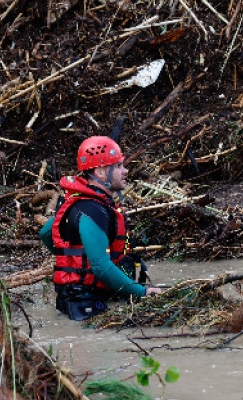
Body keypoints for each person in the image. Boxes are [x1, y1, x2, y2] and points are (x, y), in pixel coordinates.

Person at [39, 136, 162, 320]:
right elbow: (101, 268)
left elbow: (47, 233)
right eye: (119, 166)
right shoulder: (93, 211)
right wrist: (142, 292)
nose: (125, 171)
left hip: (82, 296)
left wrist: (74, 259)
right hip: (84, 303)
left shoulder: (82, 202)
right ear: (101, 172)